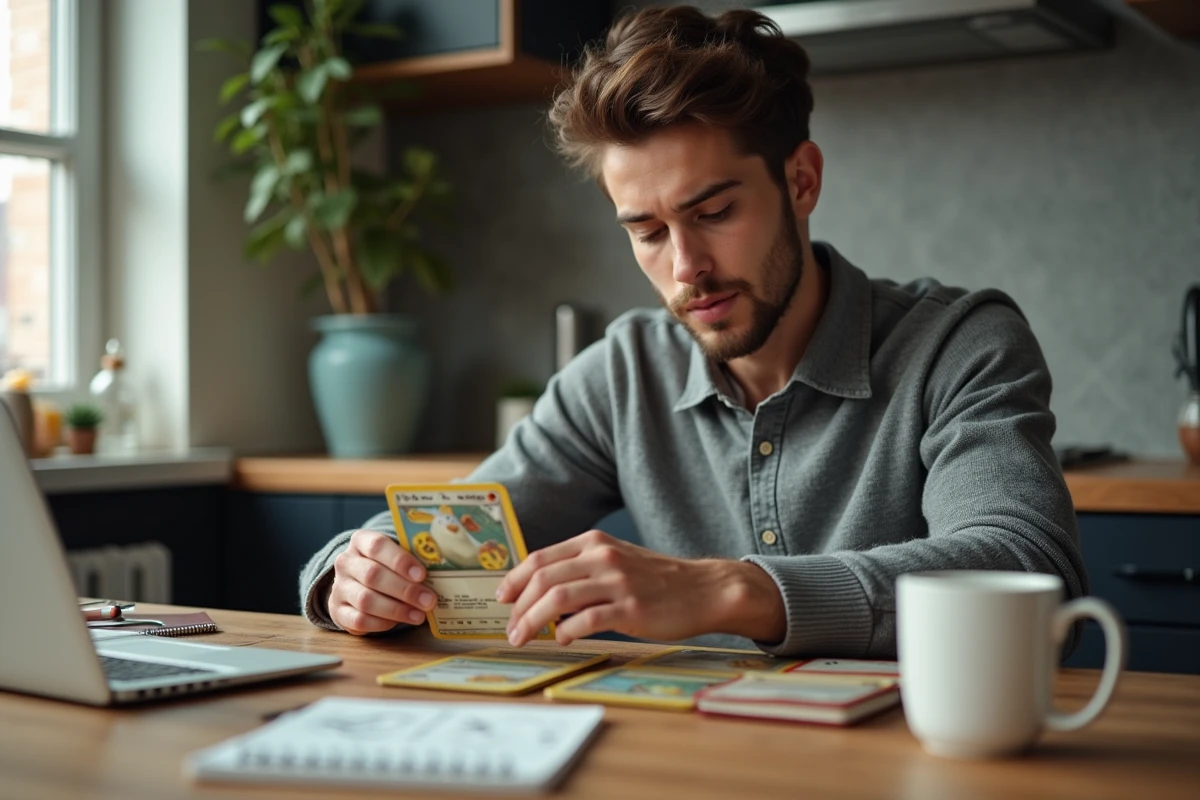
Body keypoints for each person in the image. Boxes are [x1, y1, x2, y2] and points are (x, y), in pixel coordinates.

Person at [299, 6, 1086, 658]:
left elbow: (1026, 568)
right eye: (646, 230)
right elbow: (450, 532)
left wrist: (727, 588)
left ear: (801, 180)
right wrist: (355, 573)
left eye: (714, 214)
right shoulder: (622, 374)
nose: (686, 268)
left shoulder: (961, 344)